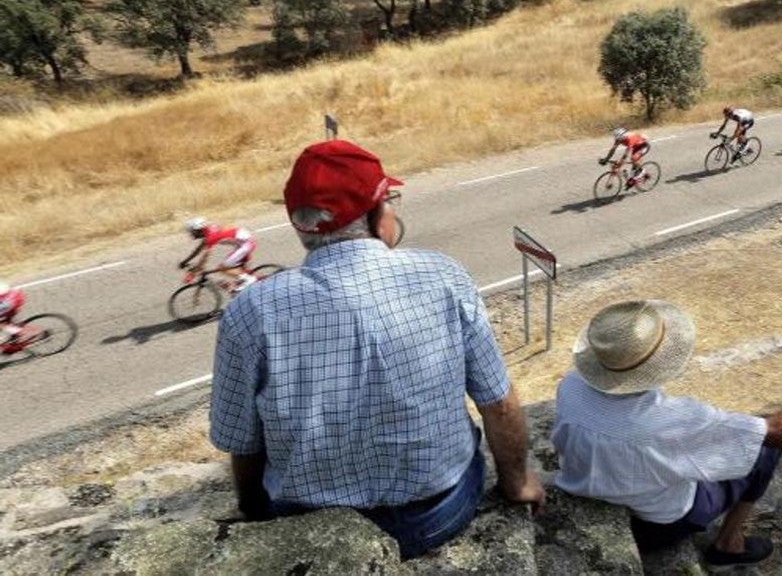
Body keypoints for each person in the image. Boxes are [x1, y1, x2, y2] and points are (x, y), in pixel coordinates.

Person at [210, 139, 545, 560]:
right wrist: (518, 484)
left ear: (300, 225)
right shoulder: (443, 275)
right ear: (375, 215)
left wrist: (257, 515)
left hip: (312, 529)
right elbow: (498, 404)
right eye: (389, 201)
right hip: (438, 514)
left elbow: (242, 442)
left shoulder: (250, 311)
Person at [551, 301, 782, 566]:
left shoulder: (571, 386)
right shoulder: (669, 419)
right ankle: (730, 543)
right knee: (763, 449)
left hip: (584, 490)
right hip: (656, 525)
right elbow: (776, 433)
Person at [181, 218, 258, 293]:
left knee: (222, 268)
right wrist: (186, 261)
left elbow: (204, 258)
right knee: (238, 269)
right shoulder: (209, 230)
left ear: (199, 230)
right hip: (244, 239)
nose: (192, 234)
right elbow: (198, 249)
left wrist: (194, 272)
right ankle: (253, 281)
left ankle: (249, 280)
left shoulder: (210, 237)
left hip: (245, 244)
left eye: (193, 232)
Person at [0, 281, 26, 345]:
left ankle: (17, 332)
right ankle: (14, 336)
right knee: (7, 318)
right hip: (15, 296)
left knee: (1, 323)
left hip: (9, 303)